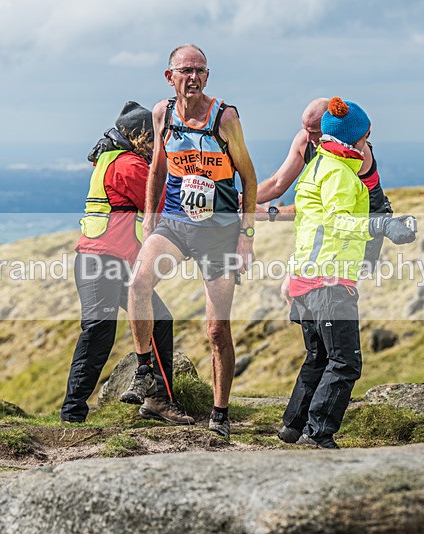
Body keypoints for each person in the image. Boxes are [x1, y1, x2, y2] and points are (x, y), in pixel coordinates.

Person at [124, 44, 258, 441]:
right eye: (185, 71)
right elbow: (157, 170)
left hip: (219, 232)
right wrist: (150, 220)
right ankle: (145, 370)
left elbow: (249, 179)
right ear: (170, 77)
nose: (193, 77)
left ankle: (220, 412)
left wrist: (246, 239)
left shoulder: (225, 118)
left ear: (207, 76)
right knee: (138, 282)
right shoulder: (162, 113)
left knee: (216, 330)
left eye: (200, 70)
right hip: (176, 224)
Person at [278, 97, 416, 449]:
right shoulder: (340, 174)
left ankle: (293, 426)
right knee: (344, 362)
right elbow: (338, 222)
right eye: (367, 135)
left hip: (306, 281)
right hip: (329, 281)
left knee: (319, 357)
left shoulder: (320, 165)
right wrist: (381, 224)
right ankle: (318, 433)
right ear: (357, 137)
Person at [60, 101, 194, 426]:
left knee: (159, 321)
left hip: (116, 264)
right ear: (139, 136)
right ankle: (72, 415)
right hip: (100, 263)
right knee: (98, 334)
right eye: (155, 139)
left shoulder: (116, 159)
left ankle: (158, 401)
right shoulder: (128, 165)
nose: (159, 145)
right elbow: (163, 202)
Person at [255, 98, 393, 271]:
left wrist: (271, 213)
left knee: (335, 286)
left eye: (315, 132)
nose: (308, 137)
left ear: (331, 128)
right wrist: (242, 199)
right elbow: (277, 184)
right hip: (331, 223)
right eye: (305, 129)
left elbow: (321, 206)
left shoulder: (352, 154)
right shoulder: (305, 140)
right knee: (293, 289)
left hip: (360, 221)